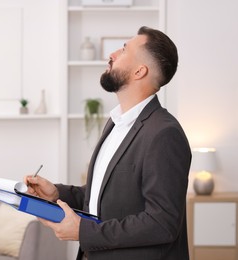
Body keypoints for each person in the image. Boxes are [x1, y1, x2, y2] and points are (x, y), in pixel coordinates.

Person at [25, 26, 192, 260]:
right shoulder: (115, 123)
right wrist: (56, 193)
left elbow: (161, 223)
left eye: (123, 50)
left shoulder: (164, 134)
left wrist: (84, 231)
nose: (111, 55)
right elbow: (104, 195)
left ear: (139, 71)